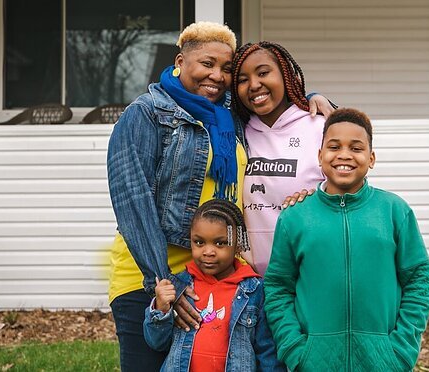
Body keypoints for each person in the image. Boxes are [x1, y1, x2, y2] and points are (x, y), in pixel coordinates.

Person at [107, 22, 331, 371]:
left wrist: (312, 95)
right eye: (207, 64)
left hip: (219, 276)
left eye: (226, 69)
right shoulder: (146, 113)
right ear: (181, 61)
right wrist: (161, 283)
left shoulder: (227, 115)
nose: (217, 75)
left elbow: (266, 97)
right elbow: (132, 201)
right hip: (153, 279)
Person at [263, 108, 429, 372]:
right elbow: (277, 288)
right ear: (320, 156)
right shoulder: (295, 217)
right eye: (334, 146)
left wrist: (400, 352)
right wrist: (295, 350)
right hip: (313, 362)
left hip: (383, 362)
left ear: (371, 158)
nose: (344, 155)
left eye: (356, 148)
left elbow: (418, 281)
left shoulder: (394, 211)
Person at [143, 199, 285, 372]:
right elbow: (157, 343)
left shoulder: (255, 290)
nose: (208, 252)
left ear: (238, 243)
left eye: (220, 243)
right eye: (199, 242)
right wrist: (161, 309)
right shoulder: (180, 287)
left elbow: (267, 351)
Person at [230, 41, 325, 275]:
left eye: (263, 73)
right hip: (250, 282)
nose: (253, 85)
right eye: (242, 80)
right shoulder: (236, 131)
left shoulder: (320, 126)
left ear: (286, 75)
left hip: (310, 273)